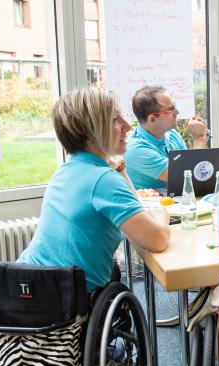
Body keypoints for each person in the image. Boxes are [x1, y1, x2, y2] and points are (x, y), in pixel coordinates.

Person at [18, 87, 170, 293]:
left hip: (28, 282)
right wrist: (162, 217)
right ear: (91, 135)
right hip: (66, 295)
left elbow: (135, 205)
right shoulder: (103, 180)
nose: (127, 126)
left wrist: (120, 168)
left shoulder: (67, 170)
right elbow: (157, 240)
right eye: (116, 119)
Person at [124, 85, 210, 190]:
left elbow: (199, 169)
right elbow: (192, 178)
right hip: (151, 206)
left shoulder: (172, 134)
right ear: (152, 118)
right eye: (171, 110)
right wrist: (199, 137)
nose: (177, 112)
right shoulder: (135, 149)